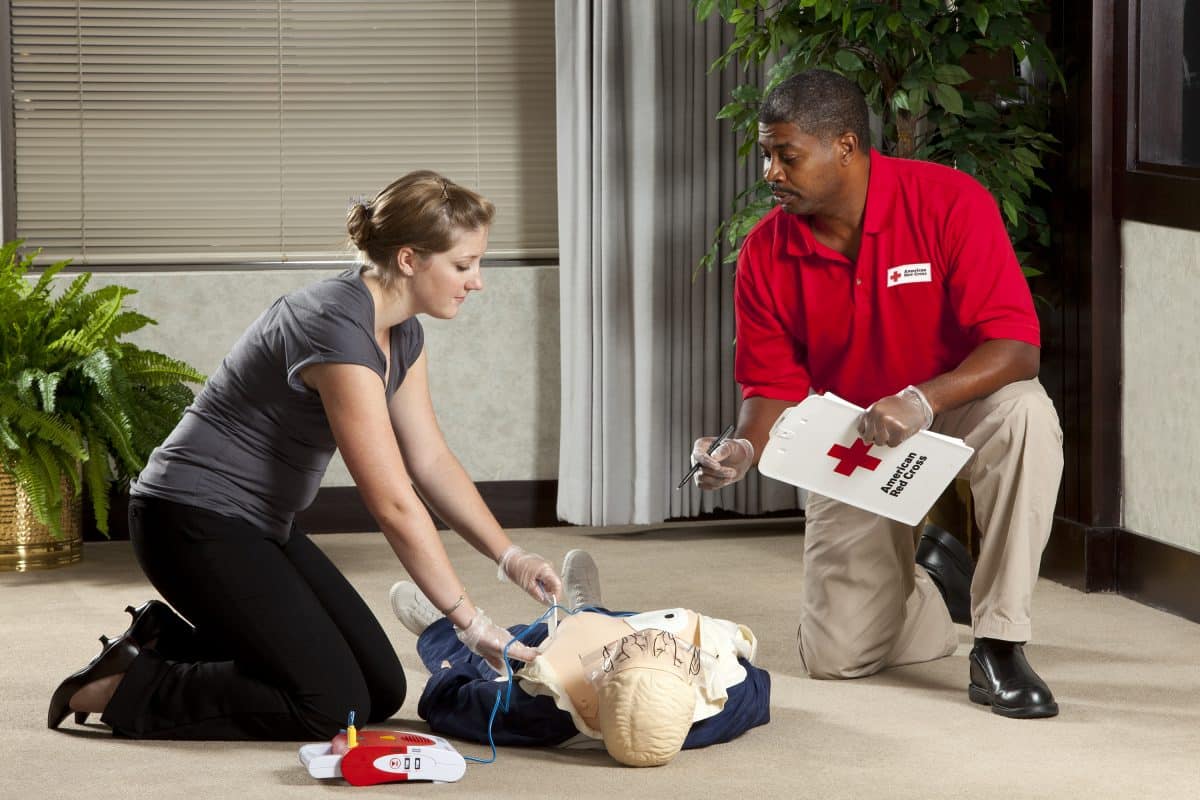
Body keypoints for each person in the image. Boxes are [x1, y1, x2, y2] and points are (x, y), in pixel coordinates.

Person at [48, 170, 563, 739]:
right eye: (464, 265)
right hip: (190, 521)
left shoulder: (403, 332)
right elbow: (392, 501)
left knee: (381, 691)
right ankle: (126, 689)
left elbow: (430, 461)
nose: (478, 282)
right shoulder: (335, 328)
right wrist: (469, 622)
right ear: (412, 259)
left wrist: (509, 556)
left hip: (262, 524)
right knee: (330, 704)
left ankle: (160, 641)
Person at [690, 70, 1064, 719]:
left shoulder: (949, 201)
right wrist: (742, 449)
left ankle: (999, 642)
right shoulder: (766, 253)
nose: (771, 171)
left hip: (956, 406)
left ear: (845, 146)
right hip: (858, 434)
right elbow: (772, 385)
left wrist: (922, 400)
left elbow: (1015, 346)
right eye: (767, 154)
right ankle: (925, 584)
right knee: (836, 656)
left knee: (1026, 411)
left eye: (787, 154)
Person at [387, 549, 771, 766]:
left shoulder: (541, 712)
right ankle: (594, 609)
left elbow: (446, 703)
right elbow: (758, 677)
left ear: (599, 683)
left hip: (556, 657)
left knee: (515, 645)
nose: (653, 643)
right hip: (637, 634)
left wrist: (459, 641)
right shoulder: (731, 701)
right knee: (640, 623)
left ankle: (438, 630)